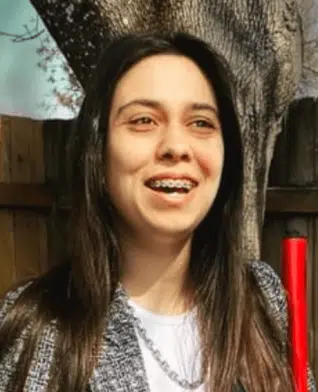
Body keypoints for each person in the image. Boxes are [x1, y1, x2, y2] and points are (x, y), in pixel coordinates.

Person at [0, 32, 315, 392]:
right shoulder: (38, 329)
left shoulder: (263, 302)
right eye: (144, 120)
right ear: (98, 153)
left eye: (201, 123)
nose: (176, 147)